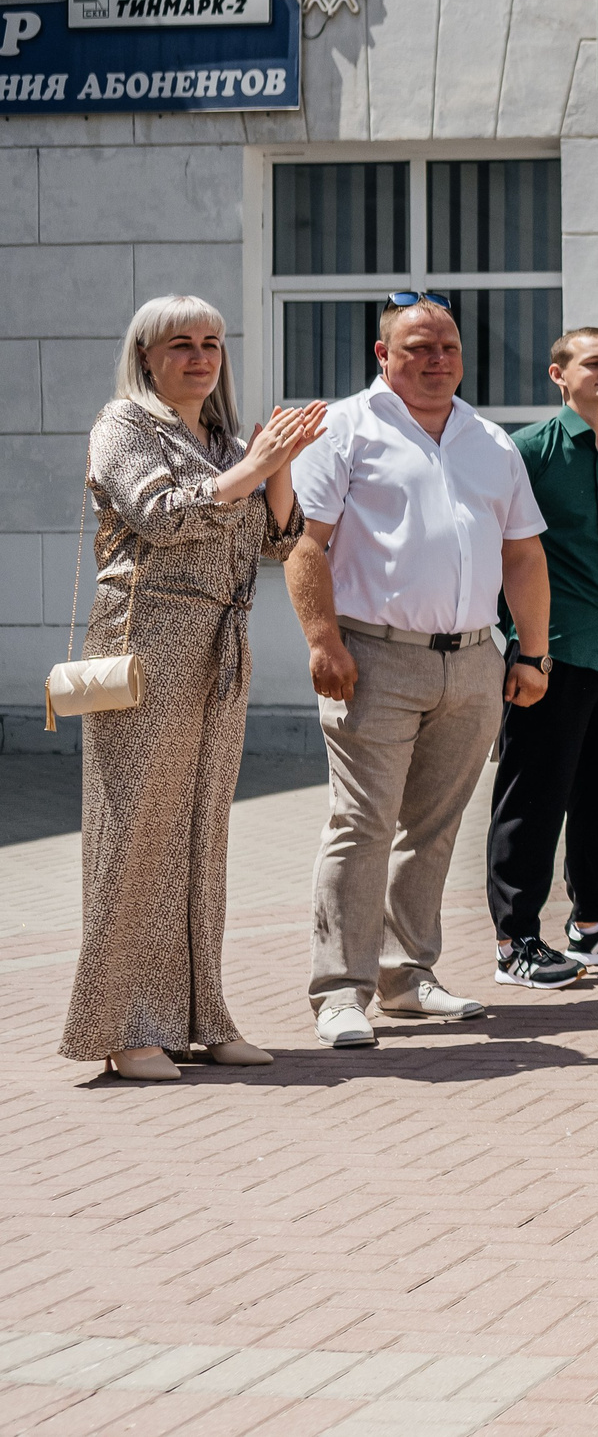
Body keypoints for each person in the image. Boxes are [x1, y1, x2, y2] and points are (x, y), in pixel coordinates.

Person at [61, 298, 325, 1081]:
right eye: (182, 344)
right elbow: (164, 517)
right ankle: (120, 1029)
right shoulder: (124, 425)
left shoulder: (226, 439)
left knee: (202, 839)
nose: (201, 356)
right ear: (147, 356)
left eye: (212, 343)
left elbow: (280, 542)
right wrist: (252, 469)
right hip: (146, 644)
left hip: (221, 645)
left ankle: (200, 1017)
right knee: (134, 838)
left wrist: (277, 468)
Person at [286, 299, 551, 1050]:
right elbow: (306, 546)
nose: (437, 360)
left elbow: (524, 554)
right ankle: (342, 990)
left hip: (473, 658)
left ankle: (408, 976)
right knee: (362, 824)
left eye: (448, 347)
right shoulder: (345, 428)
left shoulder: (489, 439)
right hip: (373, 656)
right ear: (383, 352)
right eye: (419, 348)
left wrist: (532, 650)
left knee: (432, 830)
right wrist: (322, 639)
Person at [484, 327, 598, 990]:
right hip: (549, 652)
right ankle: (516, 939)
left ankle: (594, 922)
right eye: (594, 363)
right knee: (532, 795)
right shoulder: (524, 453)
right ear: (558, 375)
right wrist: (518, 645)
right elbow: (502, 552)